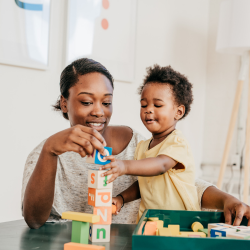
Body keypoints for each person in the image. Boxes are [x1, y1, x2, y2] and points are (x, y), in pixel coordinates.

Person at [21, 58, 250, 229]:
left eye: (107, 102)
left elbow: (183, 184)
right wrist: (50, 151)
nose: (99, 111)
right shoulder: (46, 153)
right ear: (64, 103)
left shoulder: (139, 144)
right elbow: (33, 219)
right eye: (87, 101)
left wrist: (226, 199)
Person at [101, 65, 200, 221]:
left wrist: (124, 166)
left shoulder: (177, 142)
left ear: (178, 112)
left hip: (181, 222)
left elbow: (160, 166)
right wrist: (121, 198)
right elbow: (144, 184)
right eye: (144, 105)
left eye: (157, 105)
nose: (148, 110)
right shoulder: (142, 147)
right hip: (150, 222)